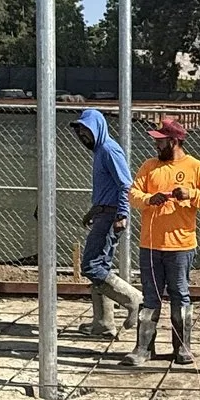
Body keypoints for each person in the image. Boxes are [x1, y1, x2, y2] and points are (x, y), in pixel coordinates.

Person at [127, 114, 200, 367]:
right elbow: (133, 195)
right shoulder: (149, 166)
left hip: (181, 246)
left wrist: (191, 195)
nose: (156, 145)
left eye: (160, 141)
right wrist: (149, 199)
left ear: (174, 141)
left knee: (180, 295)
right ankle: (144, 348)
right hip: (150, 245)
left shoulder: (196, 168)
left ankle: (182, 348)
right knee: (150, 297)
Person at [69, 107, 141, 339]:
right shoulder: (100, 151)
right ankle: (103, 323)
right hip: (103, 213)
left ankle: (134, 300)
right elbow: (108, 188)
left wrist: (122, 214)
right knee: (100, 268)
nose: (83, 136)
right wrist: (93, 212)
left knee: (91, 266)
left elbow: (125, 184)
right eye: (80, 133)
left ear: (98, 128)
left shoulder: (109, 150)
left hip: (111, 217)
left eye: (86, 131)